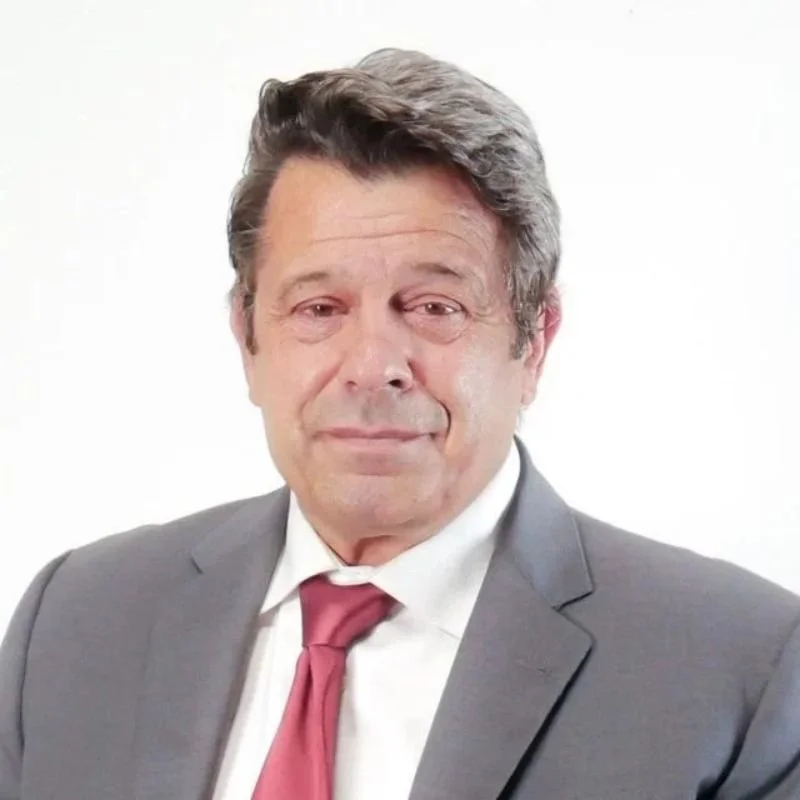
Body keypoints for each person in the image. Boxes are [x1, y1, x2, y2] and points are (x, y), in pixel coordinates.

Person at [1, 47, 798, 800]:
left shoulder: (746, 672)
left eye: (434, 307)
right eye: (319, 308)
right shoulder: (75, 621)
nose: (372, 363)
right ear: (248, 338)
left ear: (535, 341)